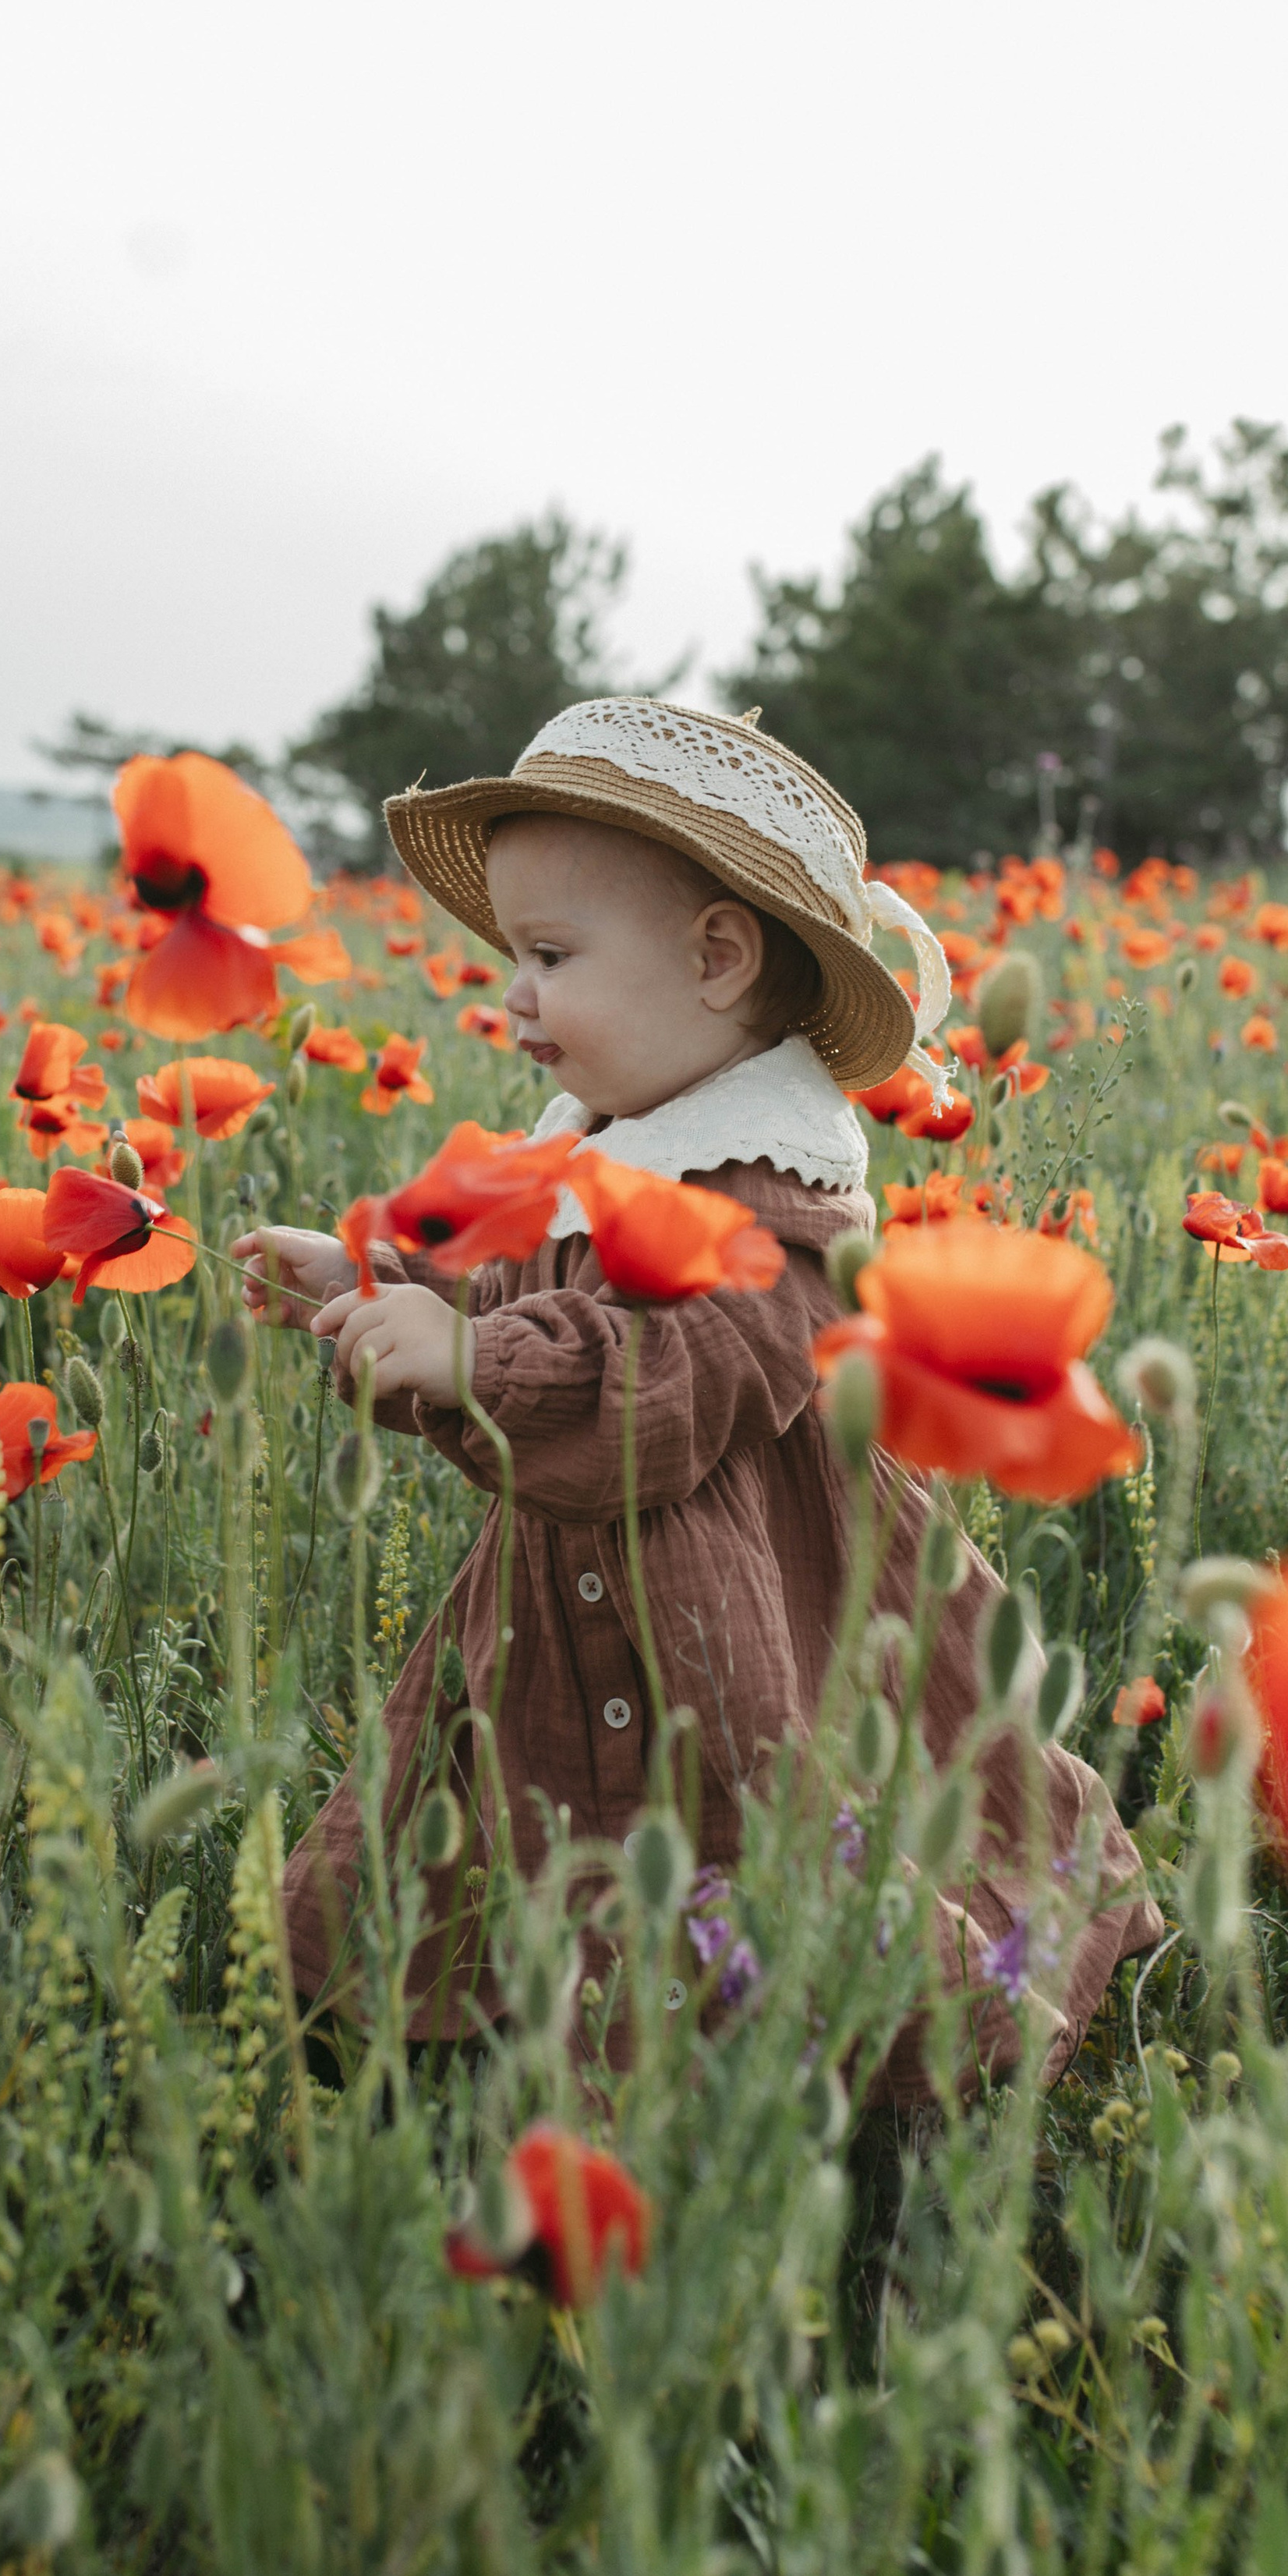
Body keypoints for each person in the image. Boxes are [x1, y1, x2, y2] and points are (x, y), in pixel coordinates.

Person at [233, 698, 1161, 2097]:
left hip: (738, 1636)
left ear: (718, 958)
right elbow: (522, 1291)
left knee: (755, 1842)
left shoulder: (776, 1204)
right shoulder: (603, 1150)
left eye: (550, 956)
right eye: (513, 959)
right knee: (527, 1807)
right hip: (564, 1605)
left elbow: (667, 1383)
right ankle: (524, 2037)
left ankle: (816, 2092)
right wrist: (375, 1285)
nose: (516, 995)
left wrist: (474, 1361)